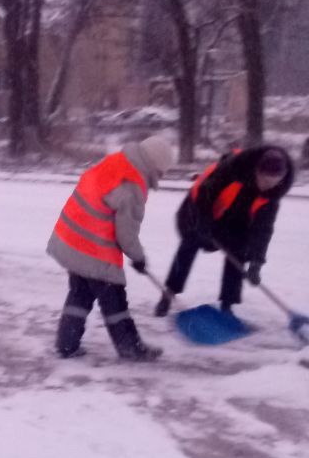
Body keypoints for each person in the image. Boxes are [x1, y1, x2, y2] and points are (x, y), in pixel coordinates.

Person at [48, 133, 176, 361]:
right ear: (154, 165)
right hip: (93, 245)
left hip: (71, 237)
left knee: (80, 294)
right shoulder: (133, 184)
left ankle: (66, 345)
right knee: (114, 298)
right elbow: (126, 234)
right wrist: (138, 257)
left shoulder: (118, 162)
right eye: (162, 172)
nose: (162, 177)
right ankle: (130, 348)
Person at [155, 144, 294, 317]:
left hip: (235, 220)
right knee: (189, 244)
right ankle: (168, 294)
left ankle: (227, 305)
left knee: (239, 250)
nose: (268, 187)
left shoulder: (273, 194)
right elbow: (205, 191)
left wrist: (256, 262)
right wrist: (203, 221)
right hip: (200, 209)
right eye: (265, 181)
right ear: (256, 171)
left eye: (274, 183)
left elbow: (263, 230)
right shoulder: (232, 169)